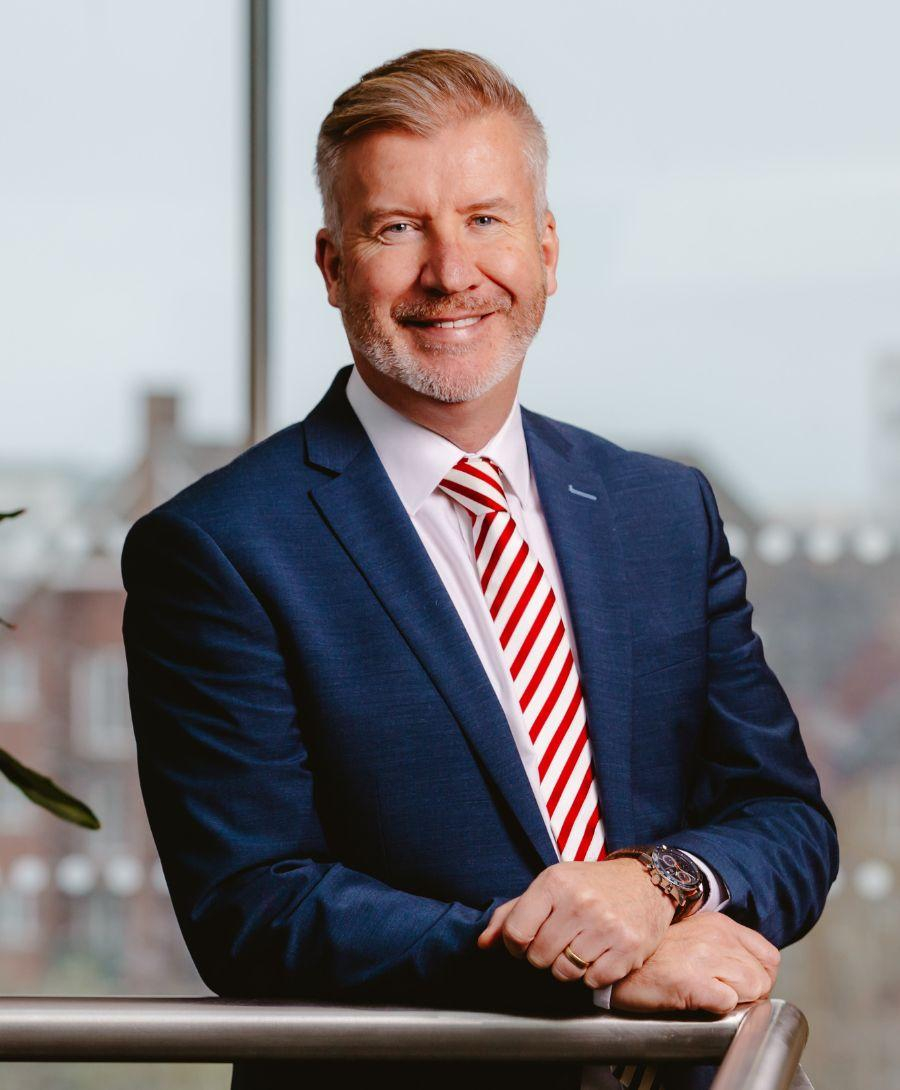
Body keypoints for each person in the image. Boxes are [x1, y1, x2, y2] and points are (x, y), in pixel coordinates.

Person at [121, 49, 837, 1090]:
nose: (450, 272)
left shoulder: (660, 509)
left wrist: (657, 884)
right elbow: (254, 904)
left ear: (547, 249)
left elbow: (787, 824)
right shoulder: (221, 547)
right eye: (397, 228)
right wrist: (581, 964)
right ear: (331, 265)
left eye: (487, 220)